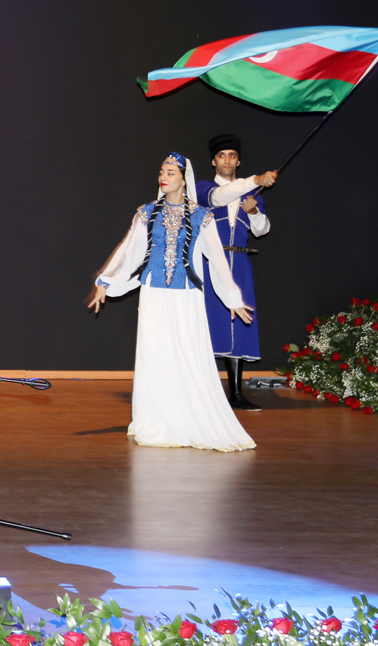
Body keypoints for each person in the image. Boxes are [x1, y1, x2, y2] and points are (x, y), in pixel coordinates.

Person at [87, 152, 256, 452]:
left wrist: (233, 298)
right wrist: (106, 282)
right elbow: (129, 251)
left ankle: (187, 418)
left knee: (186, 354)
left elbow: (217, 260)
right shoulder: (146, 212)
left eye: (170, 172)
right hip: (154, 294)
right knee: (155, 354)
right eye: (161, 172)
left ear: (183, 178)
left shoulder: (201, 216)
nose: (163, 177)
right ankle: (155, 420)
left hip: (187, 296)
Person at [198, 135, 279, 412]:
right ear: (213, 161)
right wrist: (256, 179)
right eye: (222, 156)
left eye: (232, 155)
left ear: (238, 160)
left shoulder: (250, 195)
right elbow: (219, 197)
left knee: (238, 325)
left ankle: (235, 393)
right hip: (211, 262)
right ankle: (202, 393)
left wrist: (254, 210)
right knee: (207, 324)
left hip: (240, 263)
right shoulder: (204, 188)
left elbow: (262, 230)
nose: (228, 160)